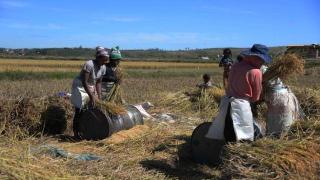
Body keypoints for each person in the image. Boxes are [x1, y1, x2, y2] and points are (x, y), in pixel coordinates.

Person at [206, 44, 272, 142]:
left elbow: (228, 85)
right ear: (252, 56)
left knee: (227, 132)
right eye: (260, 59)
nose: (262, 63)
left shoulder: (235, 66)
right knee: (243, 135)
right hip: (242, 107)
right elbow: (256, 96)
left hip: (227, 103)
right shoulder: (256, 72)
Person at [70, 49, 108, 138]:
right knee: (80, 110)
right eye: (104, 60)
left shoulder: (103, 67)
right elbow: (84, 81)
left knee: (91, 109)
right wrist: (91, 96)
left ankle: (86, 132)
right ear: (98, 58)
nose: (105, 62)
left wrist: (99, 96)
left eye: (106, 60)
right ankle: (76, 133)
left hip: (90, 86)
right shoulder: (89, 64)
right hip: (80, 86)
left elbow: (98, 82)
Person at [261, 67, 302, 136]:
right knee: (286, 125)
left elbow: (258, 93)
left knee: (279, 127)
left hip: (278, 99)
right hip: (286, 96)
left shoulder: (258, 71)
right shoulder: (266, 69)